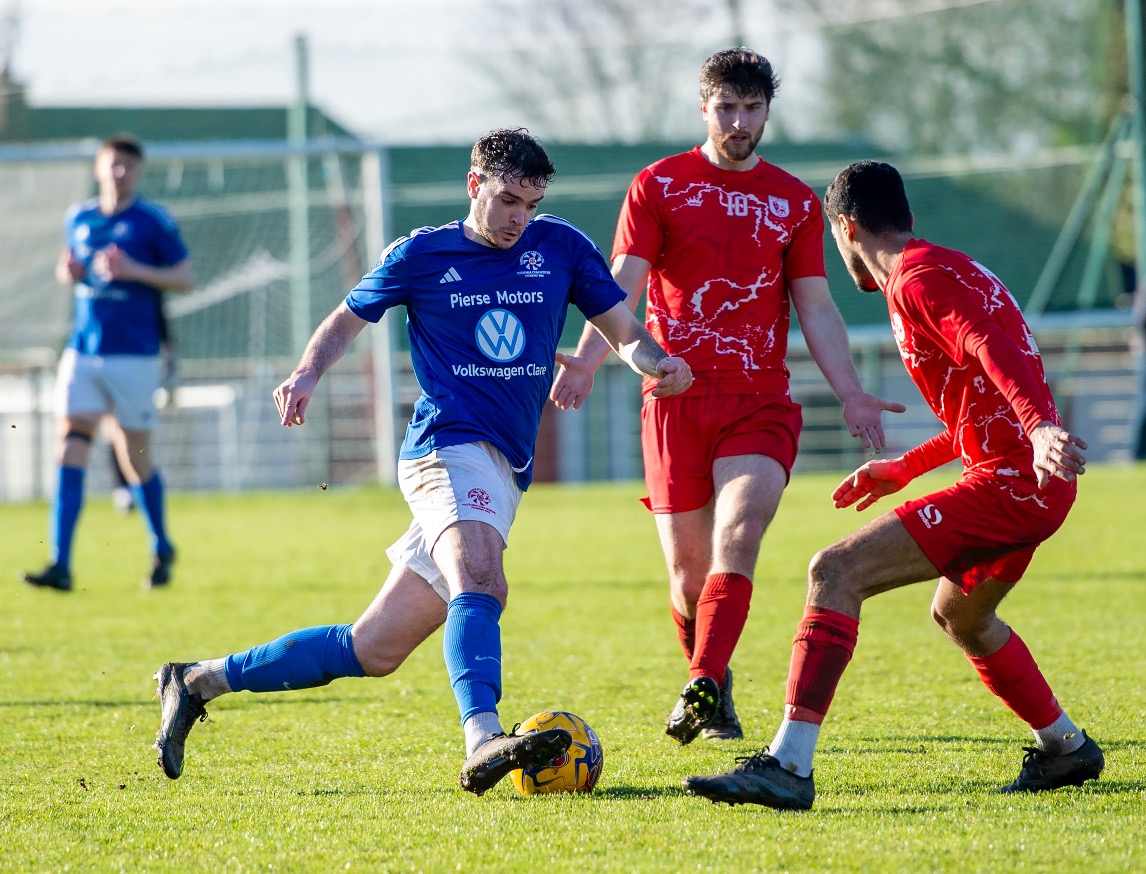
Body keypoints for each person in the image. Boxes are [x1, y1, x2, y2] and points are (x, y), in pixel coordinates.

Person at [152, 128, 693, 795]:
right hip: (444, 447)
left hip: (502, 467)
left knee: (371, 649)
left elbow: (623, 331)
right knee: (482, 577)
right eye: (505, 200)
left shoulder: (560, 247)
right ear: (475, 186)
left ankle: (197, 679)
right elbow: (346, 320)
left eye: (529, 203)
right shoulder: (423, 254)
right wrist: (305, 373)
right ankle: (483, 736)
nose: (518, 217)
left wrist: (657, 364)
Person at [684, 160, 1103, 810]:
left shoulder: (917, 278)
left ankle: (789, 765)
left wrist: (1041, 425)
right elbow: (981, 394)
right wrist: (905, 468)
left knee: (834, 571)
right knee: (962, 615)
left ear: (846, 227)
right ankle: (1066, 748)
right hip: (1029, 480)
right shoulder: (948, 266)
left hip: (1016, 482)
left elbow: (993, 345)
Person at [550, 48, 903, 745]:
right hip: (675, 400)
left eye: (751, 109)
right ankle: (716, 676)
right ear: (703, 106)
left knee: (737, 537)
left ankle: (703, 687)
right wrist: (591, 360)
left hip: (758, 401)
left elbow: (817, 307)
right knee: (688, 580)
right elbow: (621, 284)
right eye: (726, 108)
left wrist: (855, 394)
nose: (739, 122)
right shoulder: (659, 185)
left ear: (767, 111)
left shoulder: (795, 202)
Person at [23, 133, 191, 592]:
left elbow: (185, 277)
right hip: (83, 352)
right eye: (112, 164)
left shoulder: (152, 221)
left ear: (139, 172)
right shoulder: (78, 217)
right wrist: (69, 272)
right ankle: (60, 563)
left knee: (134, 458)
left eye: (128, 166)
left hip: (135, 355)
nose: (119, 173)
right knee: (69, 449)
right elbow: (68, 267)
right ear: (99, 168)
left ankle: (161, 544)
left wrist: (135, 271)